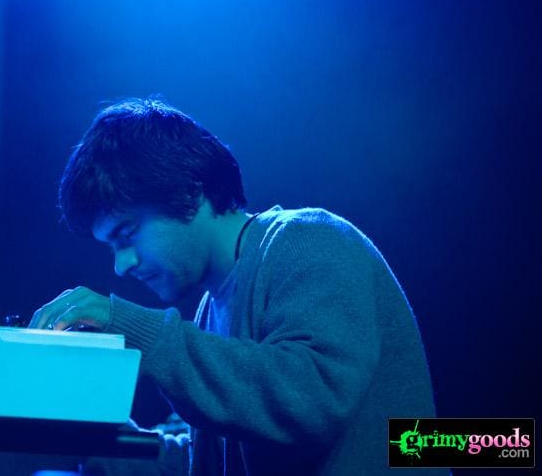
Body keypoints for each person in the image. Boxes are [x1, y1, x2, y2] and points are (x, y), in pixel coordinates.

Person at [30, 99, 445, 475]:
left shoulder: (309, 240)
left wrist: (139, 333)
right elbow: (218, 462)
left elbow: (311, 401)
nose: (121, 266)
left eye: (127, 233)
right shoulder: (209, 312)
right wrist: (106, 438)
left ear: (188, 192)